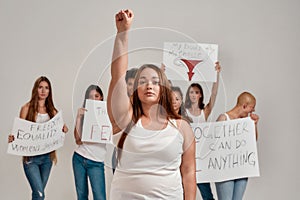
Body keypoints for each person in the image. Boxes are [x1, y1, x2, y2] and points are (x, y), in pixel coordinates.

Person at [107, 9, 196, 200]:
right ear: (136, 89)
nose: (149, 85)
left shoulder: (182, 127)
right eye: (143, 81)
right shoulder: (125, 119)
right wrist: (123, 33)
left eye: (155, 81)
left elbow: (188, 171)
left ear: (164, 89)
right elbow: (117, 76)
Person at [7, 76, 68, 200]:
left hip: (47, 158)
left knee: (38, 194)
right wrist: (13, 138)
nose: (43, 91)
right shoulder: (26, 108)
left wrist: (63, 129)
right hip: (31, 159)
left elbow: (58, 131)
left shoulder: (53, 112)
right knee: (40, 194)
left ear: (49, 91)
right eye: (40, 87)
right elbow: (20, 132)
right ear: (36, 89)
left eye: (46, 88)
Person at [184, 63, 221, 200]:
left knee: (207, 195)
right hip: (187, 158)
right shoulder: (184, 112)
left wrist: (216, 74)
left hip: (201, 160)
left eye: (196, 92)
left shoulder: (204, 112)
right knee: (184, 193)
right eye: (191, 92)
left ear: (200, 95)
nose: (194, 95)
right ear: (188, 94)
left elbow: (214, 93)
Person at [215, 91, 259, 200]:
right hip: (225, 171)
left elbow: (253, 141)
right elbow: (215, 145)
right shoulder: (223, 118)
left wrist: (254, 125)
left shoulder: (245, 121)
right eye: (251, 108)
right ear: (244, 106)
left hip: (241, 170)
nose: (252, 111)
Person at [72, 85, 107, 200]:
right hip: (79, 158)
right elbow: (78, 140)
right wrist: (78, 118)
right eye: (90, 97)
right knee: (82, 196)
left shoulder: (107, 114)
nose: (94, 99)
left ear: (101, 97)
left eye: (96, 96)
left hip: (96, 161)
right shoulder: (84, 114)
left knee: (100, 197)